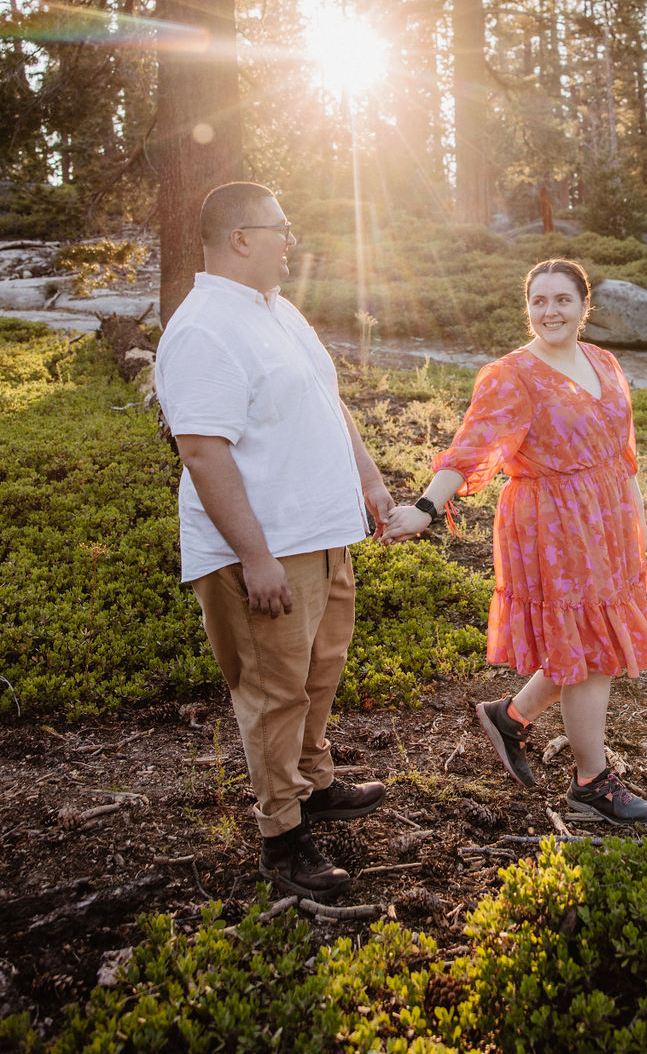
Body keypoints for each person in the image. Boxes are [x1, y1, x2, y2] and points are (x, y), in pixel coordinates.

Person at [155, 181, 394, 902]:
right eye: (281, 228)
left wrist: (371, 481)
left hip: (324, 534)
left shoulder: (276, 310)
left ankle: (313, 781)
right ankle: (283, 837)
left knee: (319, 672)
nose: (291, 240)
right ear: (239, 238)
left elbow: (330, 401)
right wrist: (255, 556)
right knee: (272, 691)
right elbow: (202, 452)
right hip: (267, 548)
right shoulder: (202, 329)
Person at [384, 258, 647, 827]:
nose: (550, 311)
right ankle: (592, 780)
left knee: (587, 638)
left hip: (608, 519)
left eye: (562, 299)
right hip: (553, 523)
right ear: (528, 308)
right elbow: (470, 447)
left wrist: (635, 514)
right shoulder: (513, 375)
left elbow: (622, 448)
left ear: (585, 307)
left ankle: (509, 718)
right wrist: (426, 507)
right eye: (539, 301)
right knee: (590, 649)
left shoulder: (604, 362)